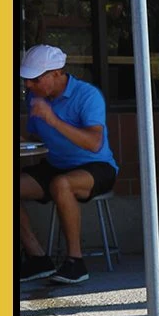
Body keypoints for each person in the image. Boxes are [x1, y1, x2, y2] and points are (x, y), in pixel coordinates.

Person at [18, 45, 117, 285]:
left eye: (35, 79)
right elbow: (36, 139)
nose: (28, 85)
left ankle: (76, 261)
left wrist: (53, 119)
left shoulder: (88, 95)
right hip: (55, 163)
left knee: (61, 184)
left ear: (56, 73)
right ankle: (38, 257)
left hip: (96, 165)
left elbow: (94, 143)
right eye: (25, 80)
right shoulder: (35, 97)